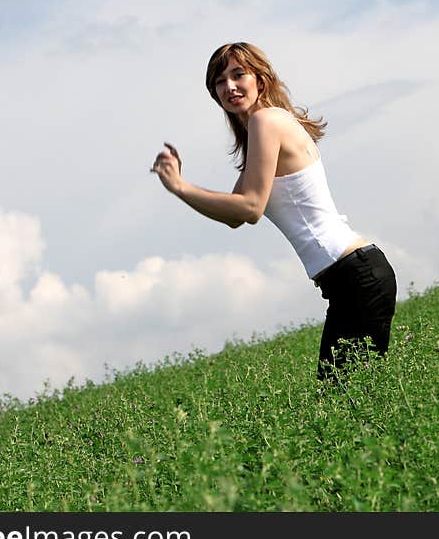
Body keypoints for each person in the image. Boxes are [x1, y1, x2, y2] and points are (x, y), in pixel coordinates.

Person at [150, 42, 397, 382]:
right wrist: (181, 187)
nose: (230, 86)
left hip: (355, 275)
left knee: (345, 403)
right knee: (350, 403)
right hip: (353, 277)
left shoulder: (266, 122)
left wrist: (180, 186)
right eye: (220, 81)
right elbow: (235, 216)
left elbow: (251, 208)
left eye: (239, 75)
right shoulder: (262, 133)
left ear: (260, 81)